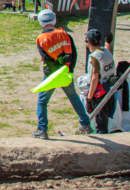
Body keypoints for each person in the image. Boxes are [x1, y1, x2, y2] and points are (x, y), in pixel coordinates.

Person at [34, 9, 93, 139]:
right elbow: (74, 54)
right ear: (54, 20)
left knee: (42, 101)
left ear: (41, 22)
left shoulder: (41, 39)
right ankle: (86, 124)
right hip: (65, 72)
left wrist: (56, 73)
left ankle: (42, 129)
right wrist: (69, 70)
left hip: (51, 74)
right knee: (74, 97)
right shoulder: (65, 34)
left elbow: (46, 59)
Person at [84, 29, 115, 134]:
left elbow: (94, 78)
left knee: (101, 125)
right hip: (110, 89)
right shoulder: (106, 52)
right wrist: (108, 41)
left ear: (88, 41)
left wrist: (89, 99)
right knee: (105, 121)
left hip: (100, 94)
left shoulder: (95, 57)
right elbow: (106, 48)